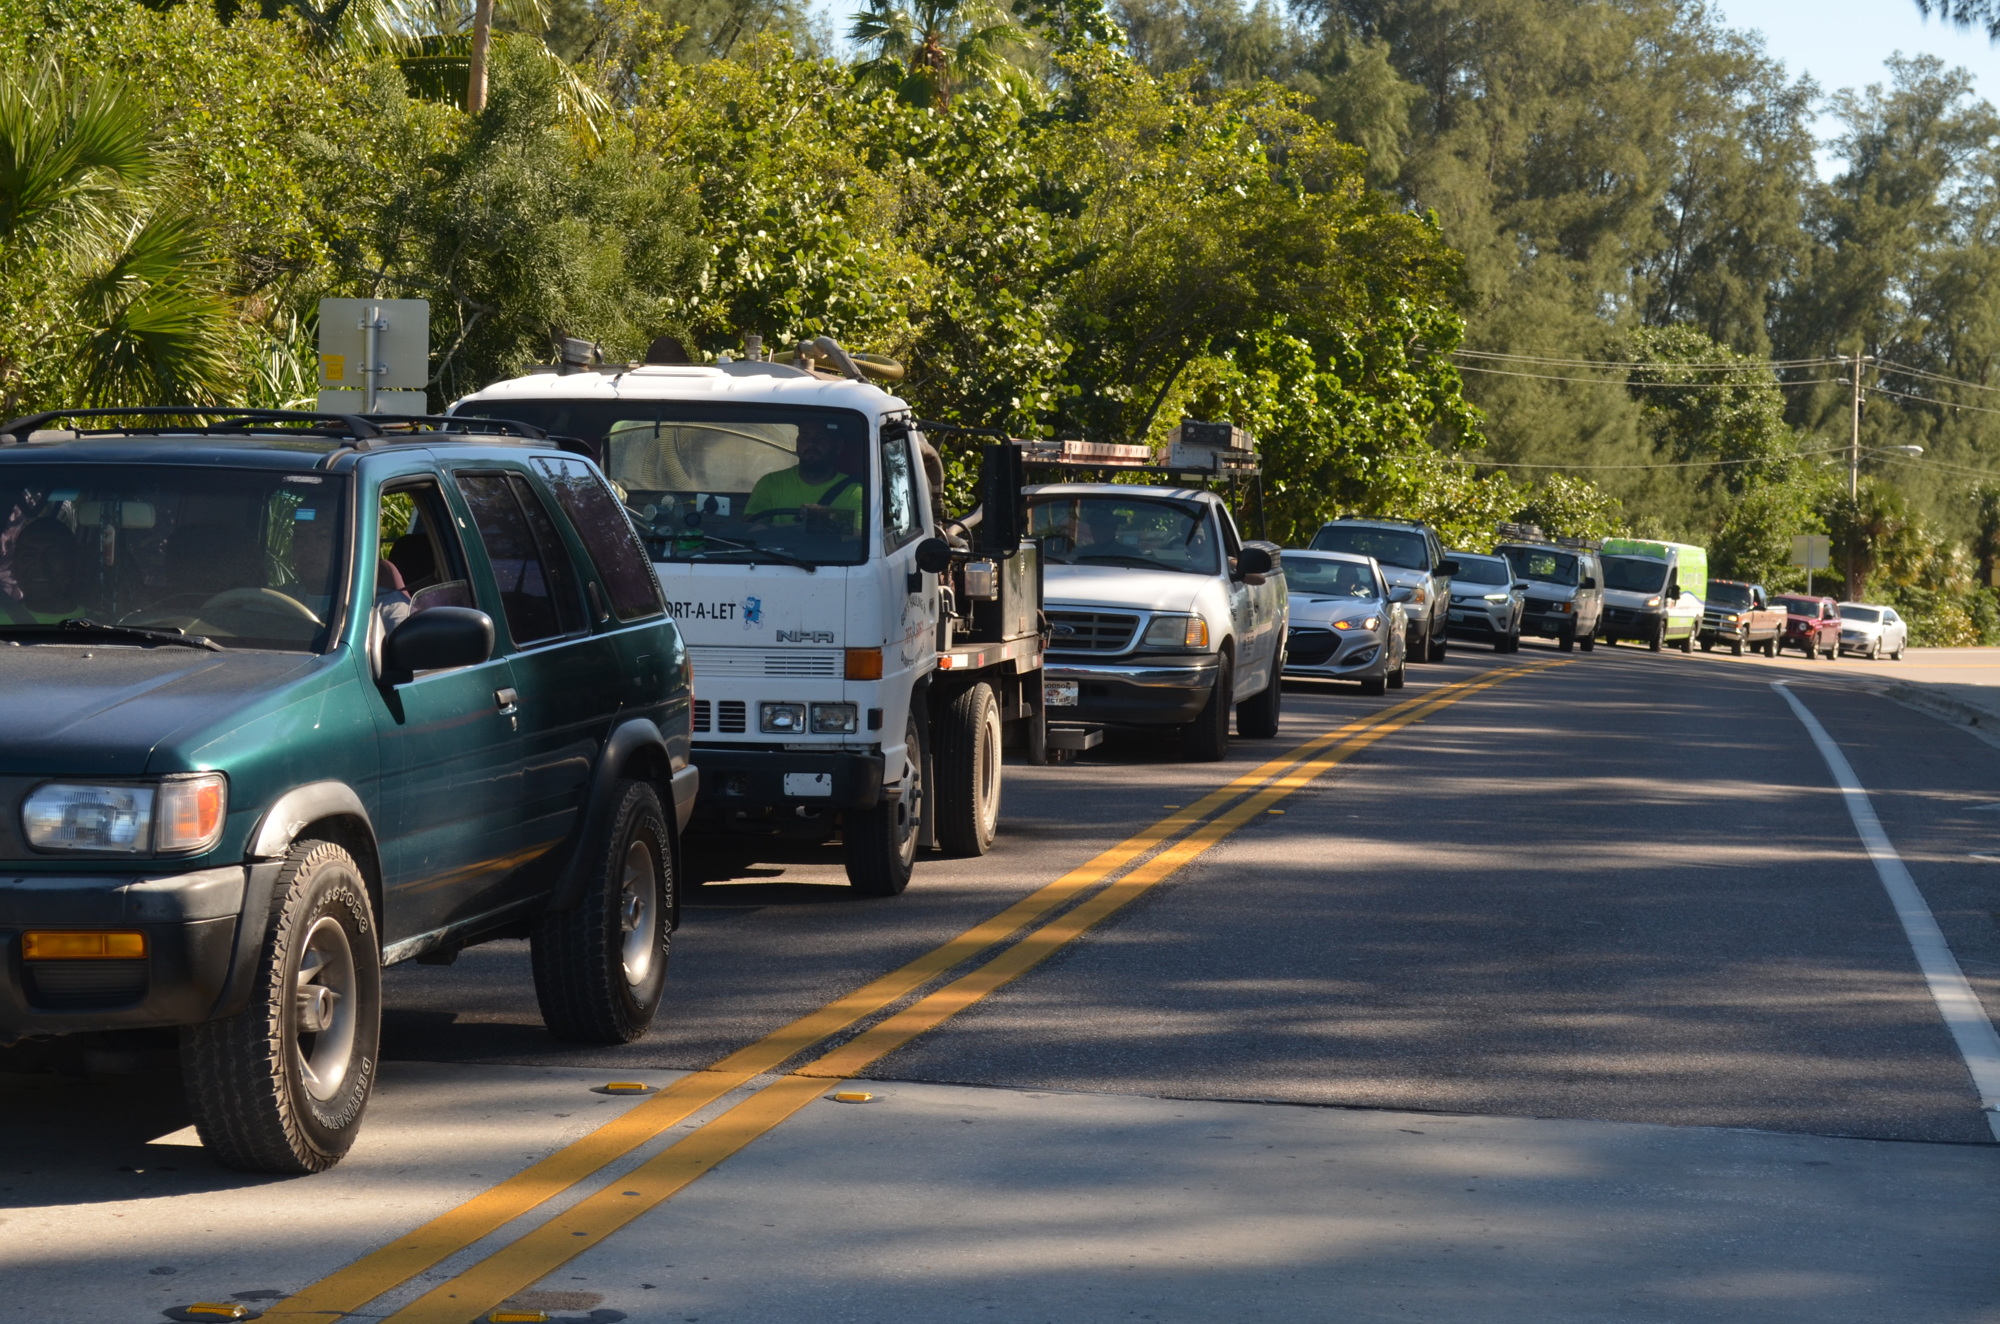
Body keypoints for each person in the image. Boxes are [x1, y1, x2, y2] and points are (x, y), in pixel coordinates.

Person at [743, 417, 864, 535]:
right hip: (775, 554)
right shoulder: (771, 483)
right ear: (797, 444)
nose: (811, 444)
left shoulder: (854, 491)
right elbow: (750, 527)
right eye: (805, 437)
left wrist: (823, 517)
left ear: (838, 446)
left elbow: (860, 537)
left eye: (821, 438)